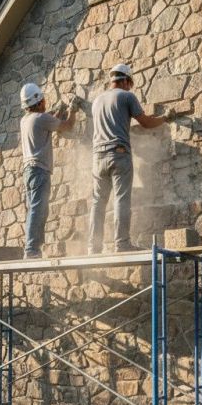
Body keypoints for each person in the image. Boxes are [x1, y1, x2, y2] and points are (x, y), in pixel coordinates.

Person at [88, 64, 175, 255]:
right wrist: (165, 118)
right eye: (130, 84)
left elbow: (111, 124)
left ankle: (93, 247)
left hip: (97, 158)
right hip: (118, 154)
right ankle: (121, 244)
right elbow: (145, 122)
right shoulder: (126, 96)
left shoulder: (96, 101)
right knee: (121, 200)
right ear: (126, 80)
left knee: (98, 203)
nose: (130, 87)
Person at [19, 82, 77, 259]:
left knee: (35, 209)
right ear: (38, 101)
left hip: (28, 171)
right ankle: (31, 250)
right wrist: (73, 110)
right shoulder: (41, 119)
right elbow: (66, 126)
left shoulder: (25, 120)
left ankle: (33, 247)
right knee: (38, 208)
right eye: (43, 100)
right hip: (39, 171)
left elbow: (50, 123)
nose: (45, 102)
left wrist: (57, 112)